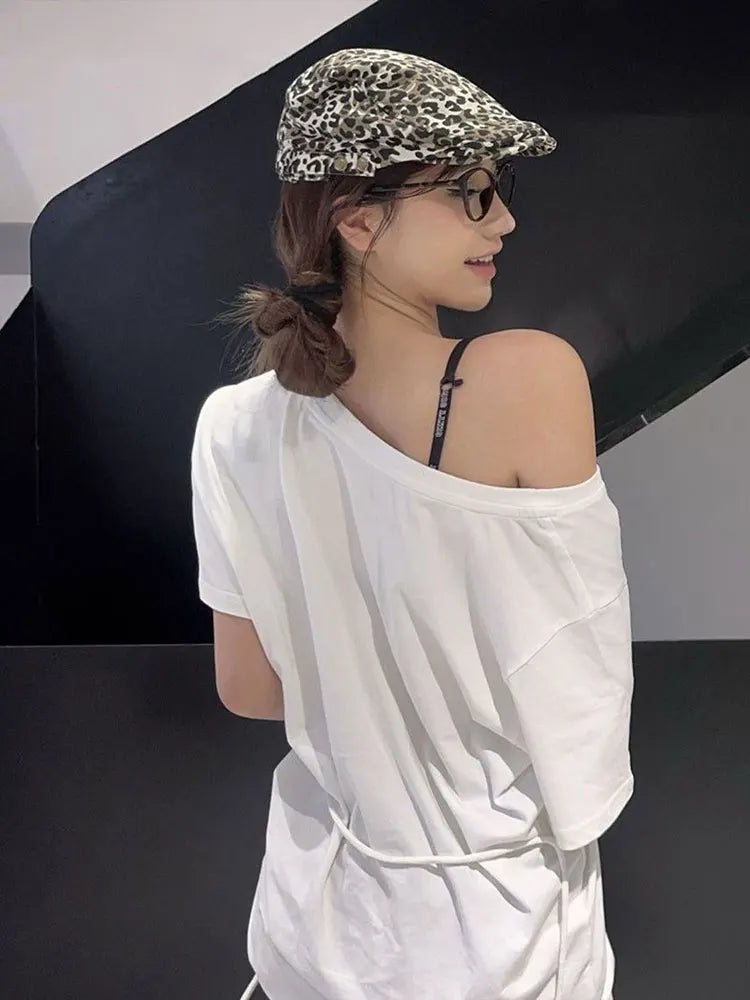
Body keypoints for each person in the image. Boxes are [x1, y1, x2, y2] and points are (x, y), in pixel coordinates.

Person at [191, 48, 633, 1000]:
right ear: (358, 220)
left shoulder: (231, 424)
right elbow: (580, 698)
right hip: (497, 930)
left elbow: (249, 689)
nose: (503, 219)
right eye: (473, 192)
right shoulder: (529, 376)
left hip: (316, 916)